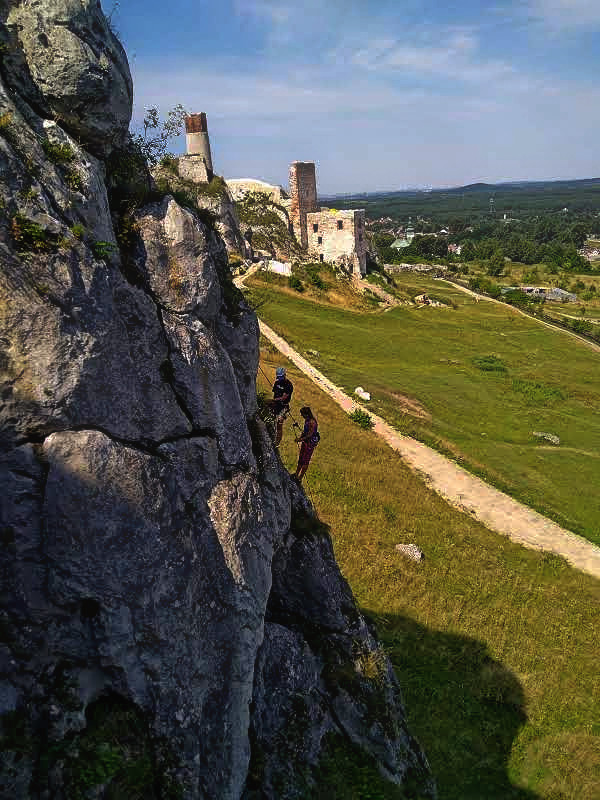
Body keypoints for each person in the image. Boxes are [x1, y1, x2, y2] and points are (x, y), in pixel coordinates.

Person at [267, 366, 293, 446]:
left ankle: (277, 443)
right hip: (276, 404)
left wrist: (274, 400)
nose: (279, 378)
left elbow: (283, 398)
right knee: (271, 419)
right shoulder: (277, 382)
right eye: (278, 377)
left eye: (281, 377)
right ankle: (270, 435)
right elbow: (275, 393)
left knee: (279, 423)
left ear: (284, 375)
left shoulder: (288, 385)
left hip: (283, 406)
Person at [293, 406, 319, 482]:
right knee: (301, 458)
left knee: (305, 460)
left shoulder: (312, 422)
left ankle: (300, 478)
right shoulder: (307, 420)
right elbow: (305, 432)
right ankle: (296, 474)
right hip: (305, 442)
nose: (301, 415)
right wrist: (300, 437)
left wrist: (300, 439)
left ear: (307, 414)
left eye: (302, 414)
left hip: (310, 444)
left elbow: (309, 435)